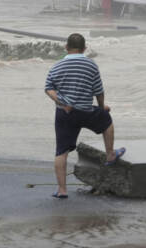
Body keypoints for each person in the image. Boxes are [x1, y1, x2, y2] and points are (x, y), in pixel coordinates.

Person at [44, 33, 125, 199]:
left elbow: (48, 88)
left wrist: (60, 101)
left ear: (66, 47)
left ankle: (62, 190)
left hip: (65, 113)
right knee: (107, 121)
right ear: (84, 48)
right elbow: (99, 91)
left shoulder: (57, 66)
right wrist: (102, 108)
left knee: (61, 151)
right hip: (86, 111)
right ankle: (110, 154)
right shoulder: (91, 65)